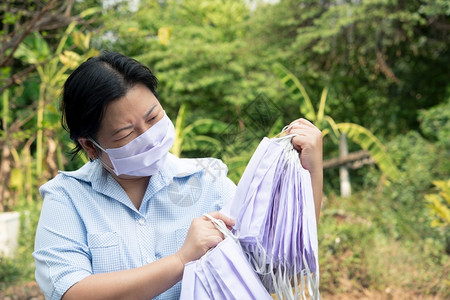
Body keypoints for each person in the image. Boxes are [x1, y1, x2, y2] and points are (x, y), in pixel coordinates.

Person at [33, 51, 323, 300]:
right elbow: (71, 292)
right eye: (126, 133)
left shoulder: (210, 181)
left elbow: (274, 271)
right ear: (89, 145)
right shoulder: (67, 198)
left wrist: (311, 172)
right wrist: (181, 260)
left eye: (153, 117)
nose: (147, 136)